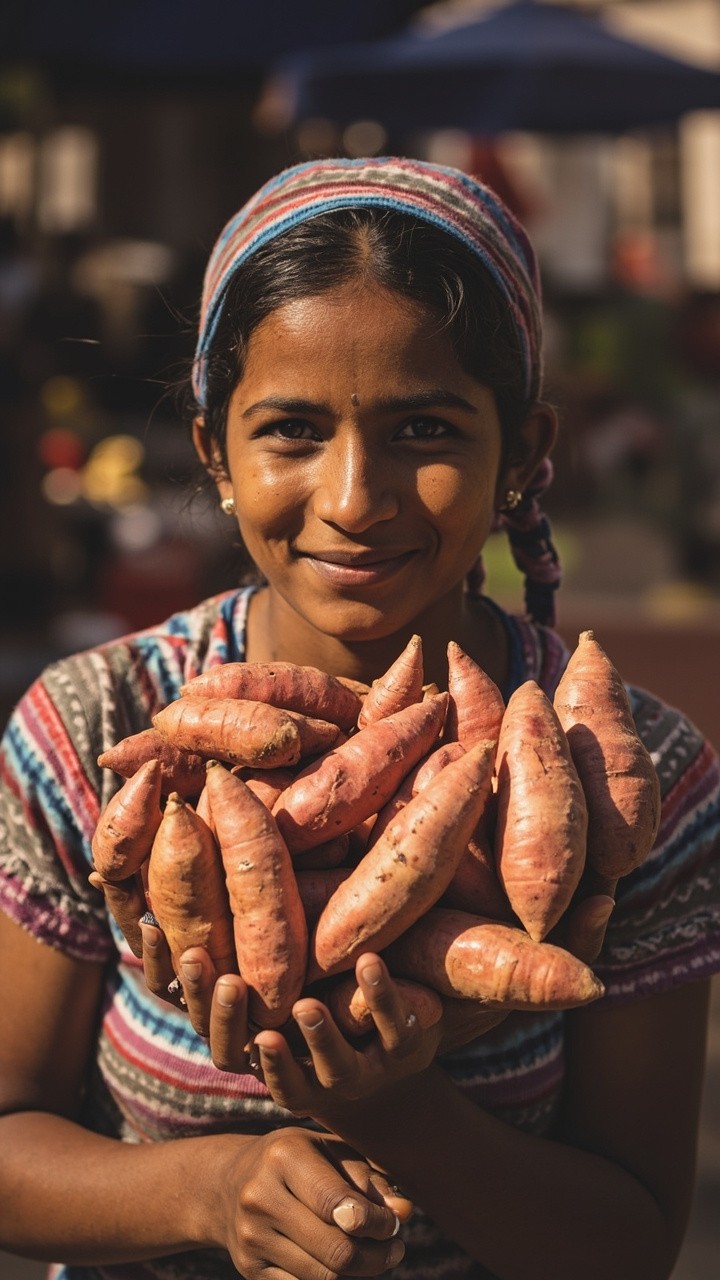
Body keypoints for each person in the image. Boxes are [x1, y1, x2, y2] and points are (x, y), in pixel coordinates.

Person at [1, 156, 719, 1280]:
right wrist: (209, 1186)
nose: (352, 498)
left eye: (425, 430)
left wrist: (397, 1113)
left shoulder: (633, 775)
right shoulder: (101, 725)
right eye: (289, 429)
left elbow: (629, 1243)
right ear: (214, 453)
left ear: (524, 454)